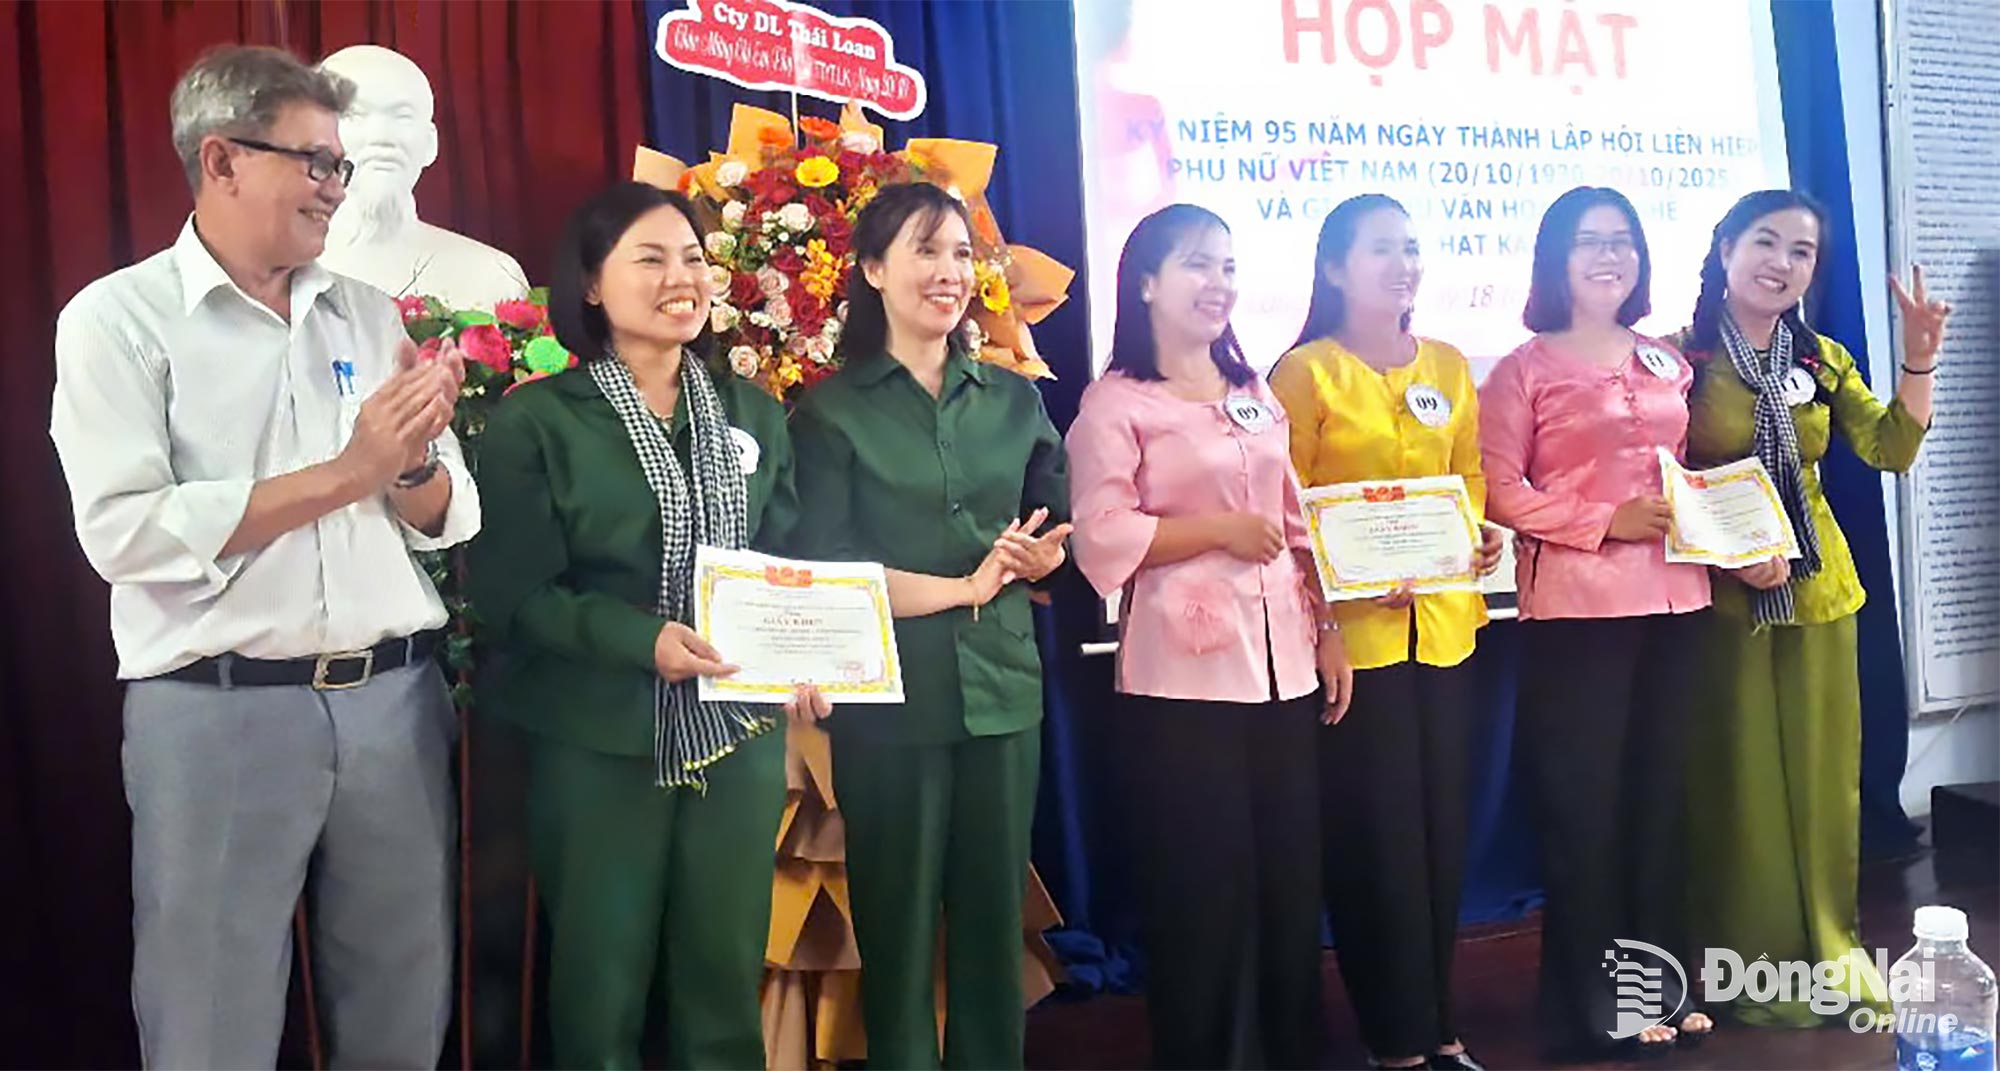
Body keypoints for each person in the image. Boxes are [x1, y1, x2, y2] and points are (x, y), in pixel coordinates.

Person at [49, 45, 479, 1069]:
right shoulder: (118, 320)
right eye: (315, 163)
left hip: (393, 701)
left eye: (340, 166)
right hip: (219, 707)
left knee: (400, 1008)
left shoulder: (365, 311)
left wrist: (411, 463)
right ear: (221, 161)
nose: (338, 188)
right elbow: (126, 532)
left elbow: (445, 512)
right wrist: (346, 468)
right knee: (210, 1020)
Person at [466, 182, 822, 1069]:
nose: (682, 278)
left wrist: (807, 654)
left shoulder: (753, 412)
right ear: (590, 284)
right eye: (651, 258)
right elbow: (512, 597)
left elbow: (788, 561)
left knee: (723, 976)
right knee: (601, 982)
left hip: (733, 738)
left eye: (695, 258)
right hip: (597, 739)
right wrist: (643, 642)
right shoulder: (538, 420)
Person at [788, 182, 1071, 1071]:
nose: (949, 273)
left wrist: (1038, 560)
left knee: (993, 920)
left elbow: (1055, 526)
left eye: (960, 254)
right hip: (891, 700)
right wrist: (963, 587)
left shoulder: (1014, 401)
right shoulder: (830, 412)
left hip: (1002, 692)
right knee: (898, 923)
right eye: (924, 251)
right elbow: (827, 575)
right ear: (872, 270)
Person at [1066, 203, 1351, 1070]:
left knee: (1287, 882)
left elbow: (1293, 520)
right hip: (1183, 680)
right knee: (1204, 891)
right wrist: (1215, 534)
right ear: (1145, 282)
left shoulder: (1253, 392)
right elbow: (1099, 531)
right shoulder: (1115, 400)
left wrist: (1327, 627)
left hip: (1283, 667)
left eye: (1227, 266)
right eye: (1197, 264)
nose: (1218, 283)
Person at [1676, 189, 1944, 1027]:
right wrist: (1730, 548)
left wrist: (1919, 358)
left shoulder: (1821, 357)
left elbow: (1889, 446)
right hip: (1725, 600)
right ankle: (1750, 966)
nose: (1781, 263)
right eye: (1765, 241)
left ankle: (1831, 948)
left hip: (1823, 592)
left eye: (1801, 252)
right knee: (1743, 786)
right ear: (1724, 248)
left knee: (1828, 785)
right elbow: (1658, 473)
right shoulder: (1679, 359)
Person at [1478, 186, 1725, 1061]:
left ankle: (1663, 984)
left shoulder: (1666, 360)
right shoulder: (1521, 369)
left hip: (1678, 602)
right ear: (1555, 258)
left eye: (1622, 240)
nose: (1608, 255)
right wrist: (1603, 520)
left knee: (1660, 802)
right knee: (1586, 813)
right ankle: (1593, 1003)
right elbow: (1500, 490)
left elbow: (1688, 471)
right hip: (1578, 612)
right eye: (1588, 242)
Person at [1267, 194, 1502, 1071]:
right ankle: (1394, 1038)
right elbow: (1285, 510)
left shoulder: (1447, 362)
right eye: (1379, 250)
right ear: (1333, 269)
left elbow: (1468, 476)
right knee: (1378, 838)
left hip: (1444, 632)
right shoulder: (1306, 373)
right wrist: (1326, 616)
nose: (1402, 264)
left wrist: (1476, 535)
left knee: (1442, 833)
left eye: (1411, 248)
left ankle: (1442, 1026)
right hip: (1356, 646)